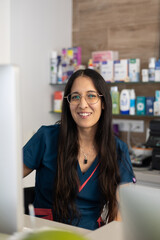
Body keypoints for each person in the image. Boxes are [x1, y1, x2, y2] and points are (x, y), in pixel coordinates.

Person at [23, 68, 135, 230]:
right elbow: (7, 179)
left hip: (89, 235)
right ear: (68, 104)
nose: (83, 104)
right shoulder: (46, 138)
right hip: (43, 232)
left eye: (91, 96)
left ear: (103, 103)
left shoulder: (117, 149)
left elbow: (120, 214)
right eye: (75, 97)